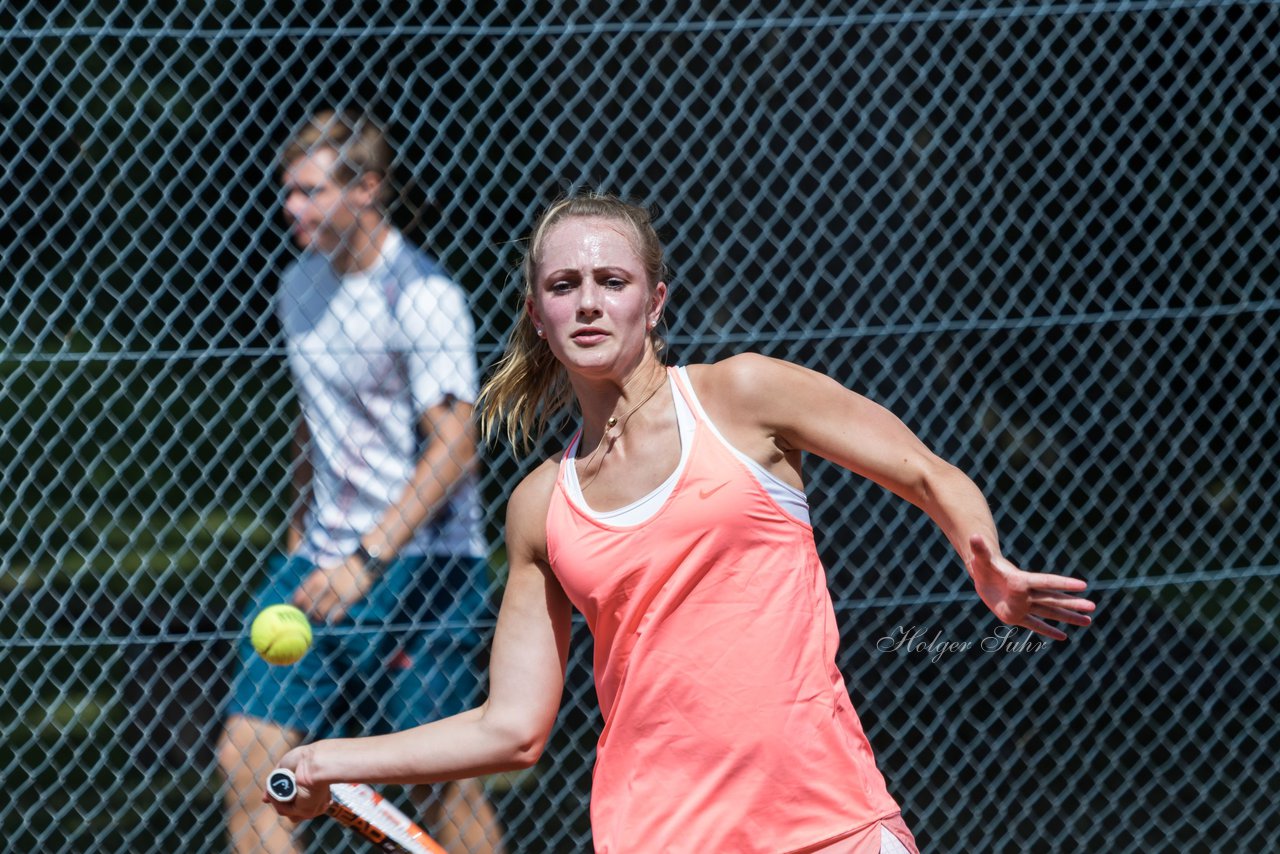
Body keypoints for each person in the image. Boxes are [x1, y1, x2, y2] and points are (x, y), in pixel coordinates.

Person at [264, 192, 1096, 853]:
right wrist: (334, 759)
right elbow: (513, 729)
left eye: (612, 283)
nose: (589, 304)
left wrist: (983, 558)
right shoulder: (538, 509)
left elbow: (927, 471)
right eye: (564, 287)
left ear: (655, 302)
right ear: (536, 314)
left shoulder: (743, 396)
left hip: (829, 824)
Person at [217, 110, 505, 853]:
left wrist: (365, 562)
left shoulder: (423, 295)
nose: (292, 208)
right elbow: (315, 420)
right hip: (321, 561)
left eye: (311, 192)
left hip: (424, 569)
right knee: (250, 763)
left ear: (368, 189)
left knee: (438, 788)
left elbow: (455, 447)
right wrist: (302, 539)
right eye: (290, 192)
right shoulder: (297, 286)